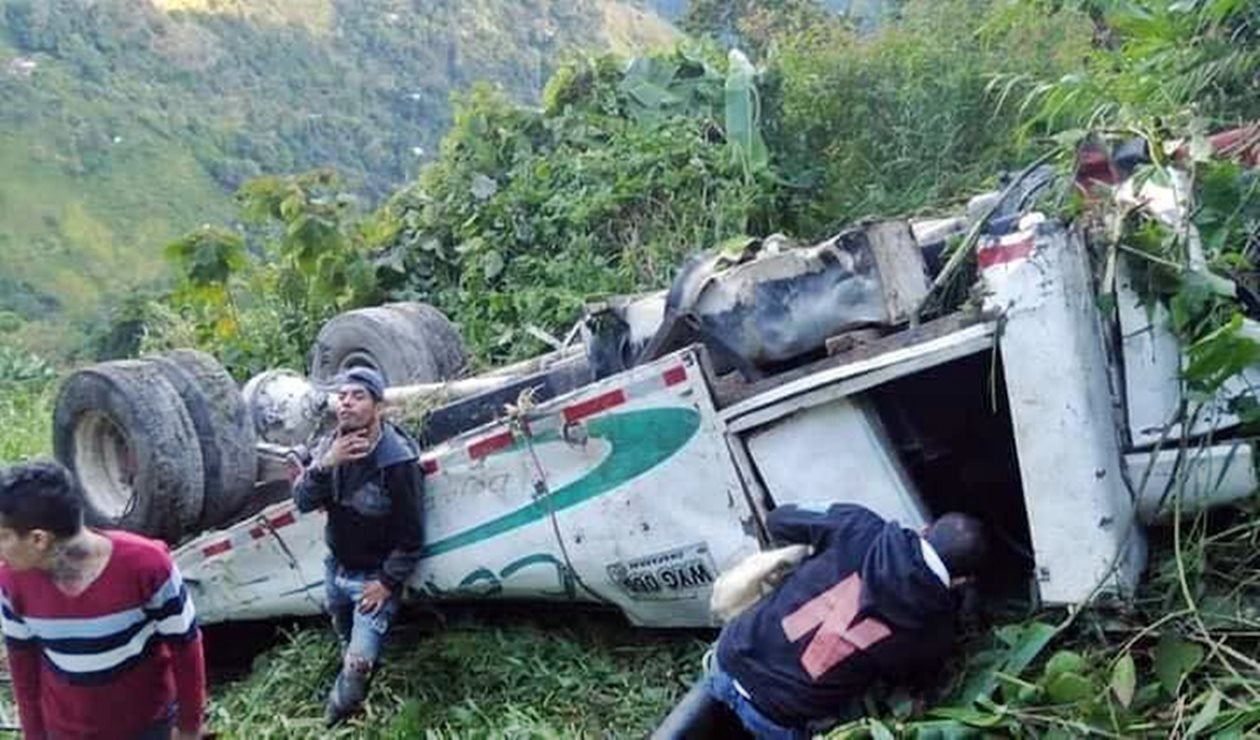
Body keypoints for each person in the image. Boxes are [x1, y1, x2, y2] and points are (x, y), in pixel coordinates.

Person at [707, 503, 987, 739]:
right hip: (775, 718)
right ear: (961, 580)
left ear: (926, 529)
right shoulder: (932, 633)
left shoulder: (858, 525)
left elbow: (779, 519)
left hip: (727, 659)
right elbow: (910, 684)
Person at [0, 460, 206, 739]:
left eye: (3, 537)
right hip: (65, 730)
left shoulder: (148, 566)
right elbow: (23, 665)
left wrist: (189, 727)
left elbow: (186, 647)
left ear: (39, 539)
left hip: (146, 726)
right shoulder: (11, 582)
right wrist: (34, 735)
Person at [293, 366, 424, 726]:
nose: (347, 403)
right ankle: (351, 654)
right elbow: (302, 501)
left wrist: (386, 583)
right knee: (343, 633)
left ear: (378, 406)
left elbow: (412, 536)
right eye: (343, 396)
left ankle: (333, 716)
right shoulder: (330, 445)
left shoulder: (396, 461)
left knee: (358, 663)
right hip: (336, 569)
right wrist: (326, 463)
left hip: (373, 578)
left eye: (358, 396)